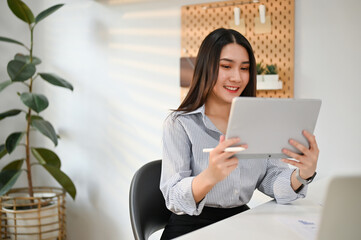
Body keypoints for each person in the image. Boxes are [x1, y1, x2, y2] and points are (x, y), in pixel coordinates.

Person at [160, 28, 319, 239]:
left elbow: (272, 180)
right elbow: (172, 198)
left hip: (238, 221)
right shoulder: (180, 124)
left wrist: (302, 174)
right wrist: (210, 176)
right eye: (226, 66)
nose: (237, 77)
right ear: (206, 67)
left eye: (244, 68)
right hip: (190, 227)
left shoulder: (259, 123)